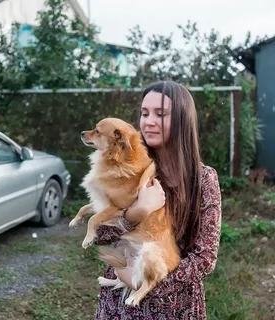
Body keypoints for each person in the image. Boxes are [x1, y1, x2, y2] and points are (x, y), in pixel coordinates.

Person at [93, 80, 222, 319]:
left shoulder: (202, 179)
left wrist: (144, 283)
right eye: (144, 113)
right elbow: (100, 236)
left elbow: (204, 257)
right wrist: (137, 212)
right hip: (120, 307)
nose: (148, 121)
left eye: (160, 114)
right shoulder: (126, 170)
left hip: (174, 306)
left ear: (182, 120)